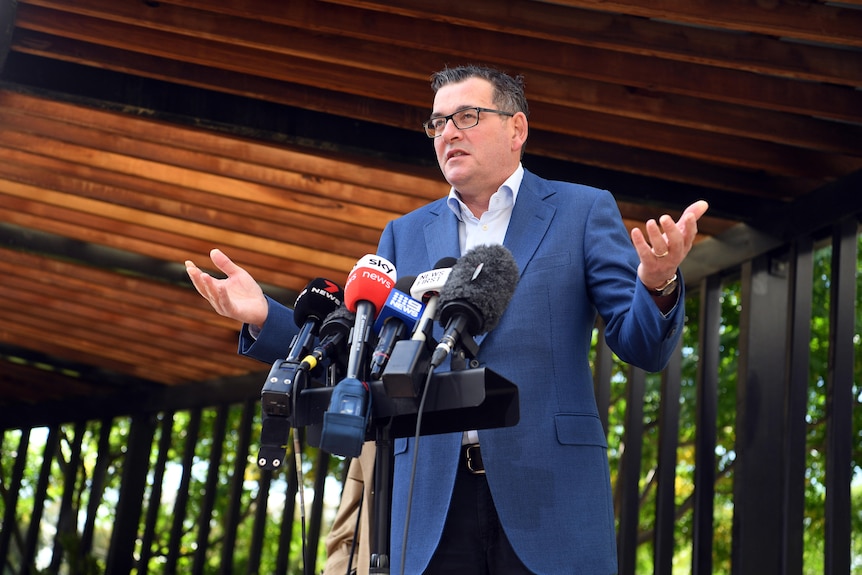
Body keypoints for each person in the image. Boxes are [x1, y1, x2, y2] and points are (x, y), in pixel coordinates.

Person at [186, 64, 708, 574]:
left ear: (516, 128)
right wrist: (265, 317)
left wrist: (657, 283)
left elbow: (643, 345)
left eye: (467, 117)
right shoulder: (405, 234)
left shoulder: (581, 210)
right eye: (437, 123)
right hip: (427, 499)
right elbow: (359, 355)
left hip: (550, 491)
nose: (447, 133)